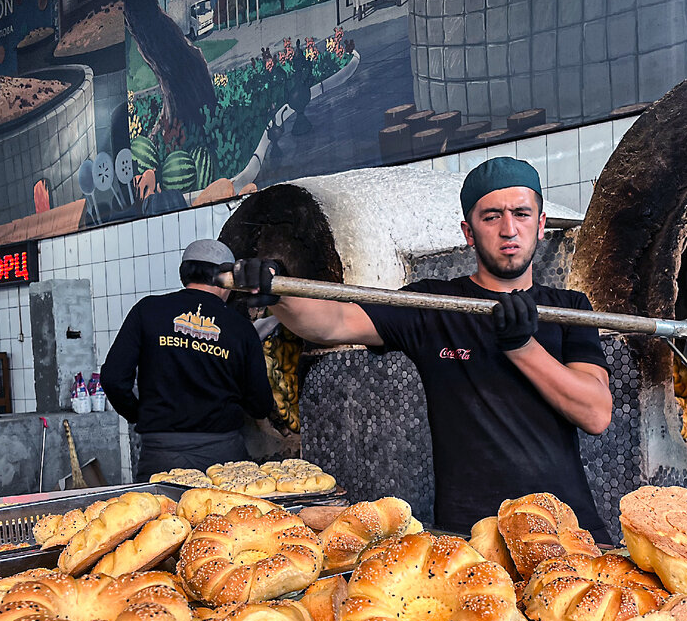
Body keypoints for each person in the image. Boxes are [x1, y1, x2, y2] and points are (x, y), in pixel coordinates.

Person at [228, 157, 614, 541]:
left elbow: (596, 413)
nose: (509, 229)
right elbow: (334, 322)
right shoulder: (434, 305)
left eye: (522, 214)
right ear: (468, 232)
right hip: (471, 533)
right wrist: (277, 292)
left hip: (568, 528)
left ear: (541, 225)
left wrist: (521, 346)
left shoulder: (568, 308)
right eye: (492, 216)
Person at [102, 239, 274, 481]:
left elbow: (112, 378)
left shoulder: (148, 310)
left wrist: (140, 414)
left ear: (184, 274)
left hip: (161, 456)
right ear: (227, 279)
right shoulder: (240, 327)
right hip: (223, 458)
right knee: (226, 519)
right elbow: (261, 404)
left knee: (161, 517)